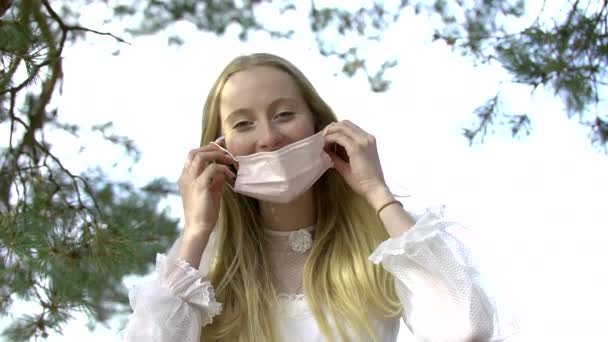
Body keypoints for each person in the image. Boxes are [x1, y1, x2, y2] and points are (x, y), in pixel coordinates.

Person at [120, 53, 517, 341]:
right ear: (220, 150)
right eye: (243, 123)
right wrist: (197, 229)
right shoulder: (204, 263)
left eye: (284, 114)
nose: (269, 138)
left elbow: (466, 328)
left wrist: (377, 193)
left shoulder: (382, 240)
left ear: (319, 125)